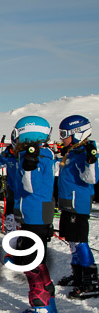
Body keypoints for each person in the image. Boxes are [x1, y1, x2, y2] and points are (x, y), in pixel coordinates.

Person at [5, 116, 58, 313]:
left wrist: (27, 168)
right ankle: (49, 309)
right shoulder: (42, 154)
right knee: (38, 263)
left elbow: (31, 187)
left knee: (32, 264)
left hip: (35, 216)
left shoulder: (36, 157)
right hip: (35, 216)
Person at [55, 115, 99, 299]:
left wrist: (90, 160)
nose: (62, 138)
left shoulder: (87, 152)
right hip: (67, 203)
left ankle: (91, 282)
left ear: (77, 133)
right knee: (72, 240)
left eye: (64, 134)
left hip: (78, 204)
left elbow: (92, 179)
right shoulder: (72, 151)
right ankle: (78, 275)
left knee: (80, 240)